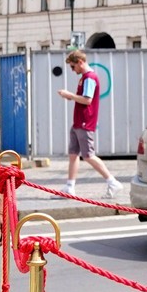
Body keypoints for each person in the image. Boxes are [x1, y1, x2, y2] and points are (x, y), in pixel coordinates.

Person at [58, 49, 121, 198]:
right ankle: (70, 186)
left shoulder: (89, 78)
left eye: (73, 67)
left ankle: (112, 182)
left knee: (88, 155)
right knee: (73, 154)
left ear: (80, 62)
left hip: (85, 122)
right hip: (79, 122)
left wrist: (70, 95)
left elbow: (87, 99)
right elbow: (84, 99)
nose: (72, 70)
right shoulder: (86, 78)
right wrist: (72, 97)